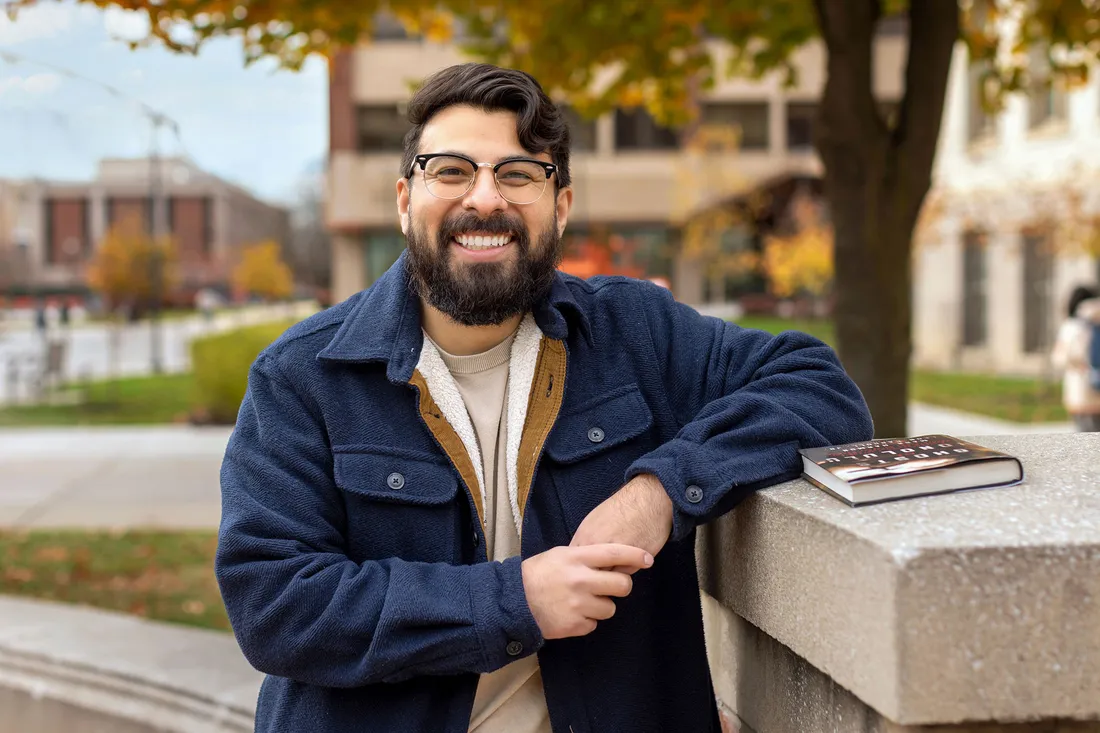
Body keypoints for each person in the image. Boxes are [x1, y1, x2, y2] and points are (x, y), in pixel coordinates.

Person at [215, 62, 874, 733]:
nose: (484, 199)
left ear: (559, 205)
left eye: (518, 174)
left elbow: (817, 383)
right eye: (450, 170)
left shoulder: (633, 332)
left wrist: (660, 492)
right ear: (405, 198)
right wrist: (514, 601)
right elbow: (275, 604)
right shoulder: (303, 375)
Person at [1051, 285, 1100, 432]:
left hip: (1080, 390)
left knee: (1086, 439)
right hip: (1087, 390)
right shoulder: (1090, 326)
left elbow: (1059, 358)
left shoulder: (1071, 327)